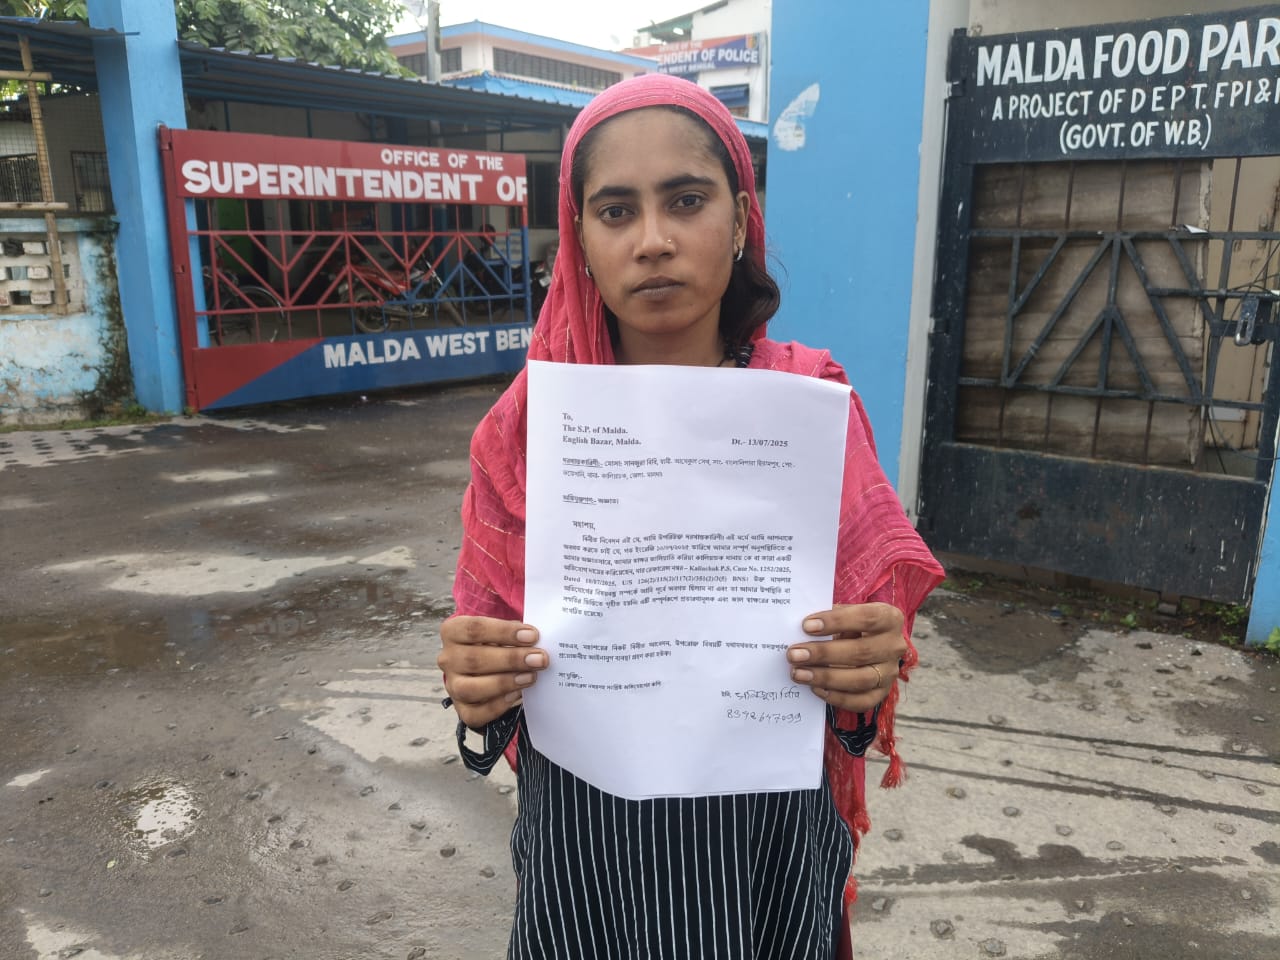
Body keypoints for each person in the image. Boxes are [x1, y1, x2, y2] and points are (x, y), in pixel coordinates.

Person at [437, 73, 944, 960]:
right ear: (579, 238)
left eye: (686, 200)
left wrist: (867, 664)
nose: (654, 241)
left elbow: (858, 679)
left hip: (768, 855)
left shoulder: (810, 405)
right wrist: (478, 689)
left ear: (740, 220)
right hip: (585, 861)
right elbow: (494, 688)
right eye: (616, 211)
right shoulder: (526, 433)